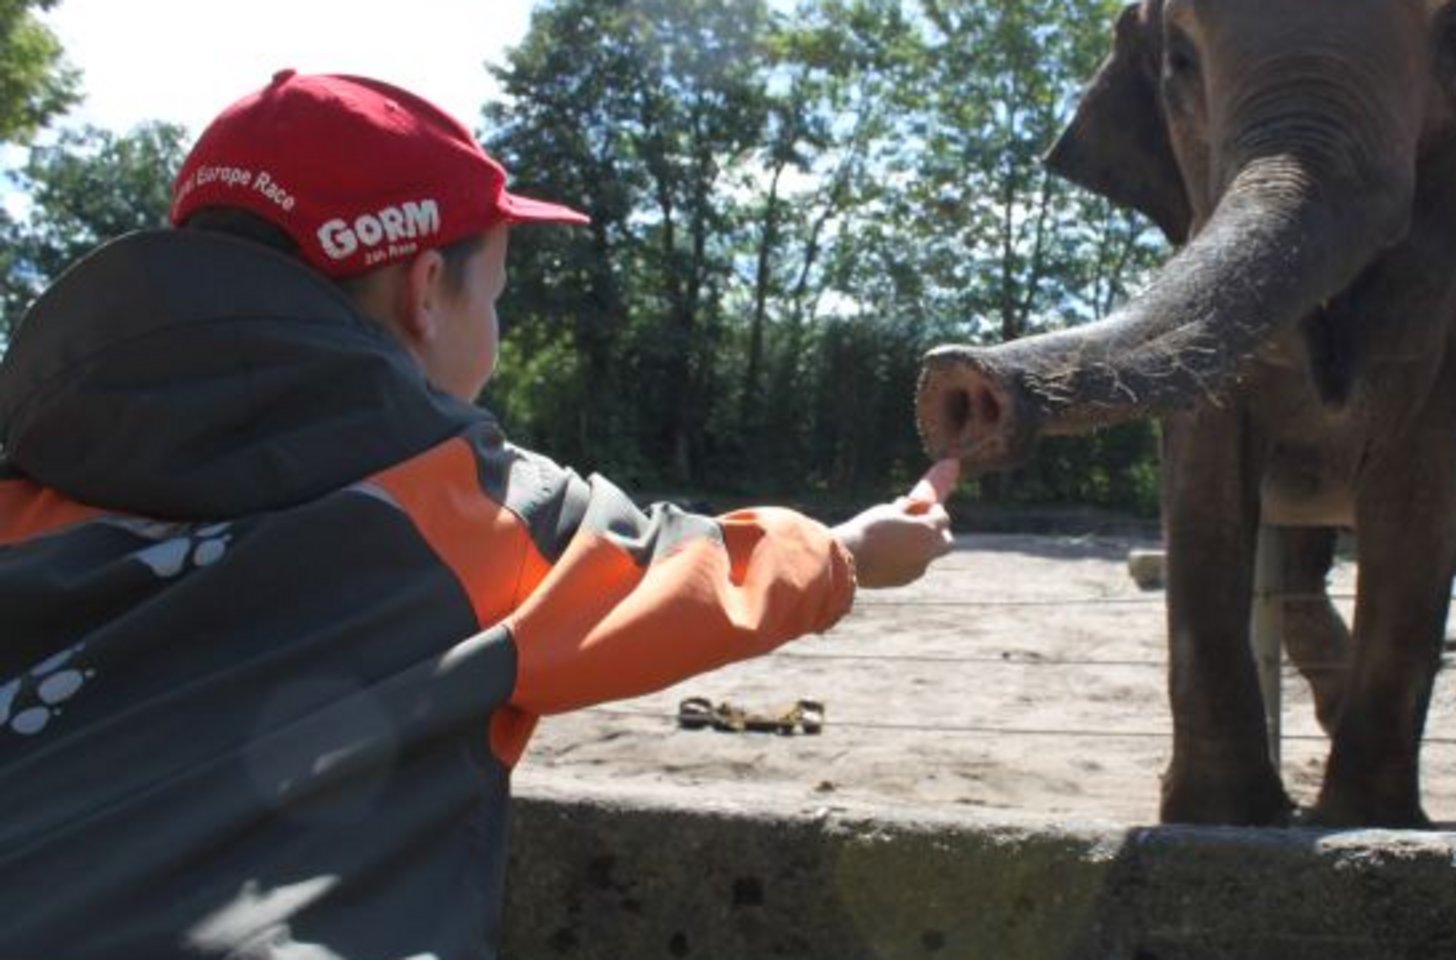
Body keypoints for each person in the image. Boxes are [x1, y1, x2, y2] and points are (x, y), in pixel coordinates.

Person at [0, 70, 953, 958]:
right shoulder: (455, 509)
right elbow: (704, 574)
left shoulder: (21, 491)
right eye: (492, 294)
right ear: (424, 290)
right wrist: (853, 550)